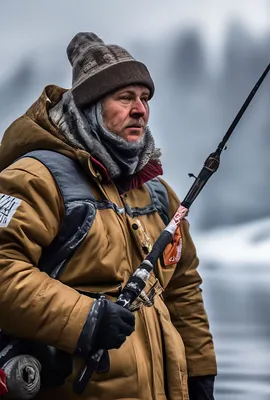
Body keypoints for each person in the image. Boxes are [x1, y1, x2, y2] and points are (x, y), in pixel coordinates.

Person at [0, 32, 217, 400]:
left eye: (145, 98)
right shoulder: (35, 178)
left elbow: (182, 289)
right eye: (125, 98)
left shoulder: (159, 194)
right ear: (90, 106)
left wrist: (200, 373)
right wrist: (86, 318)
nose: (140, 110)